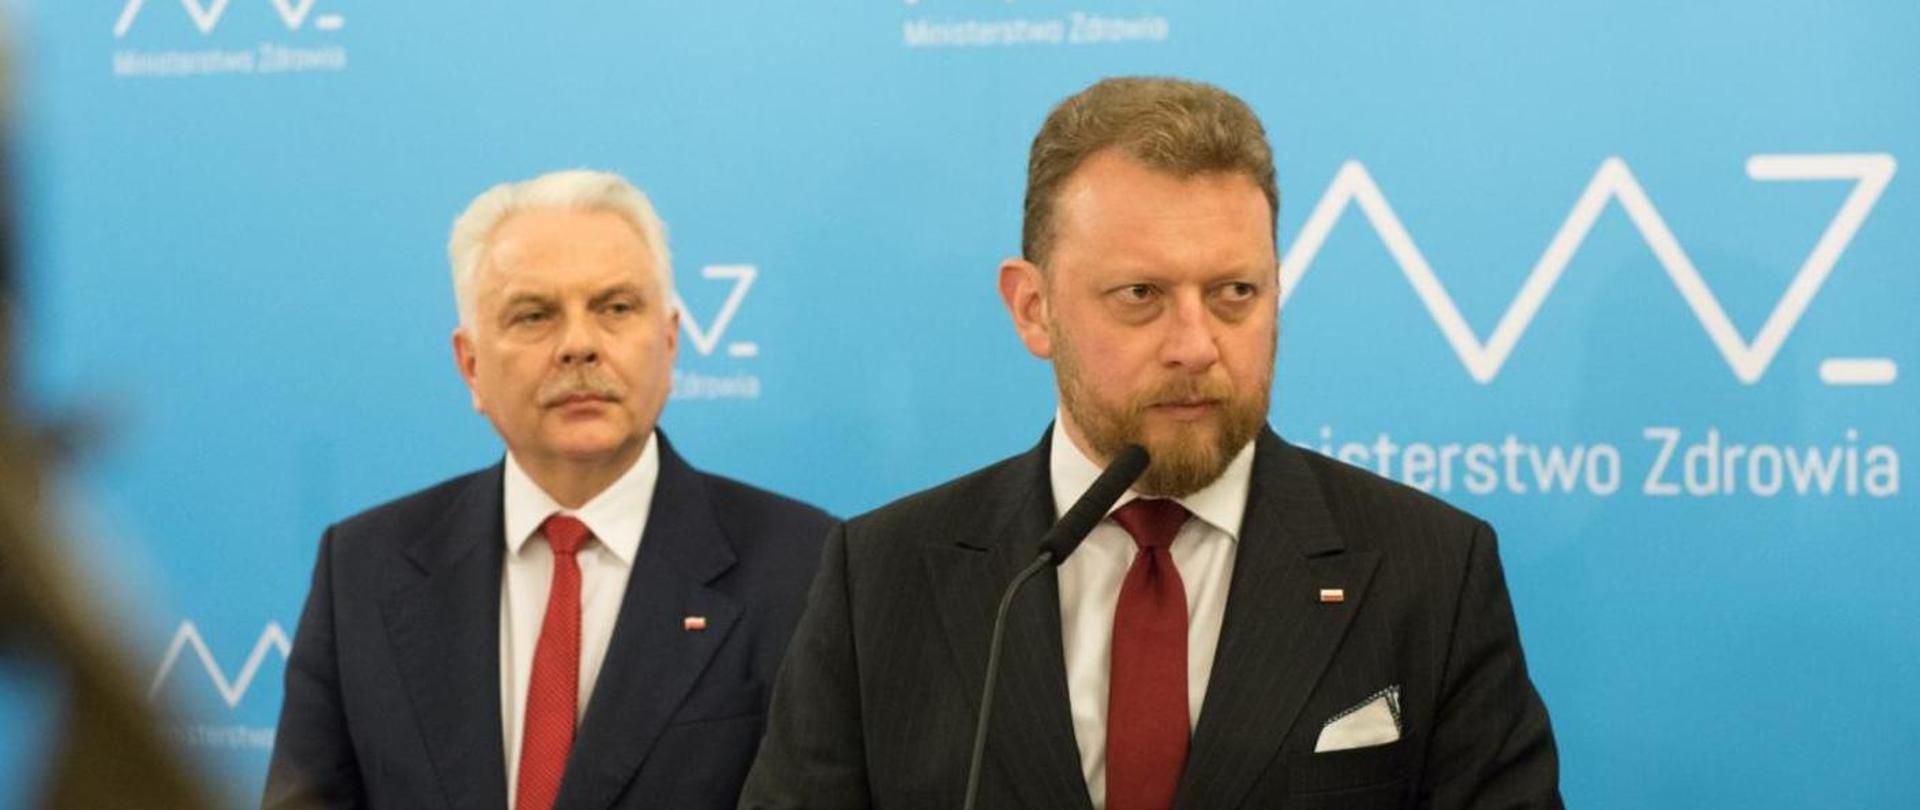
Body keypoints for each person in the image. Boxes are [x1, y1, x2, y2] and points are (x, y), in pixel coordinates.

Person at [739, 77, 1561, 809]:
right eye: (1141, 294)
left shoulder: (1430, 572)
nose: (1196, 345)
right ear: (1032, 309)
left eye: (1235, 292)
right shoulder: (882, 578)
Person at [265, 170, 835, 810]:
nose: (579, 345)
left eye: (615, 308)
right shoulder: (362, 569)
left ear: (671, 341)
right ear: (470, 365)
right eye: (535, 315)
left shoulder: (805, 566)